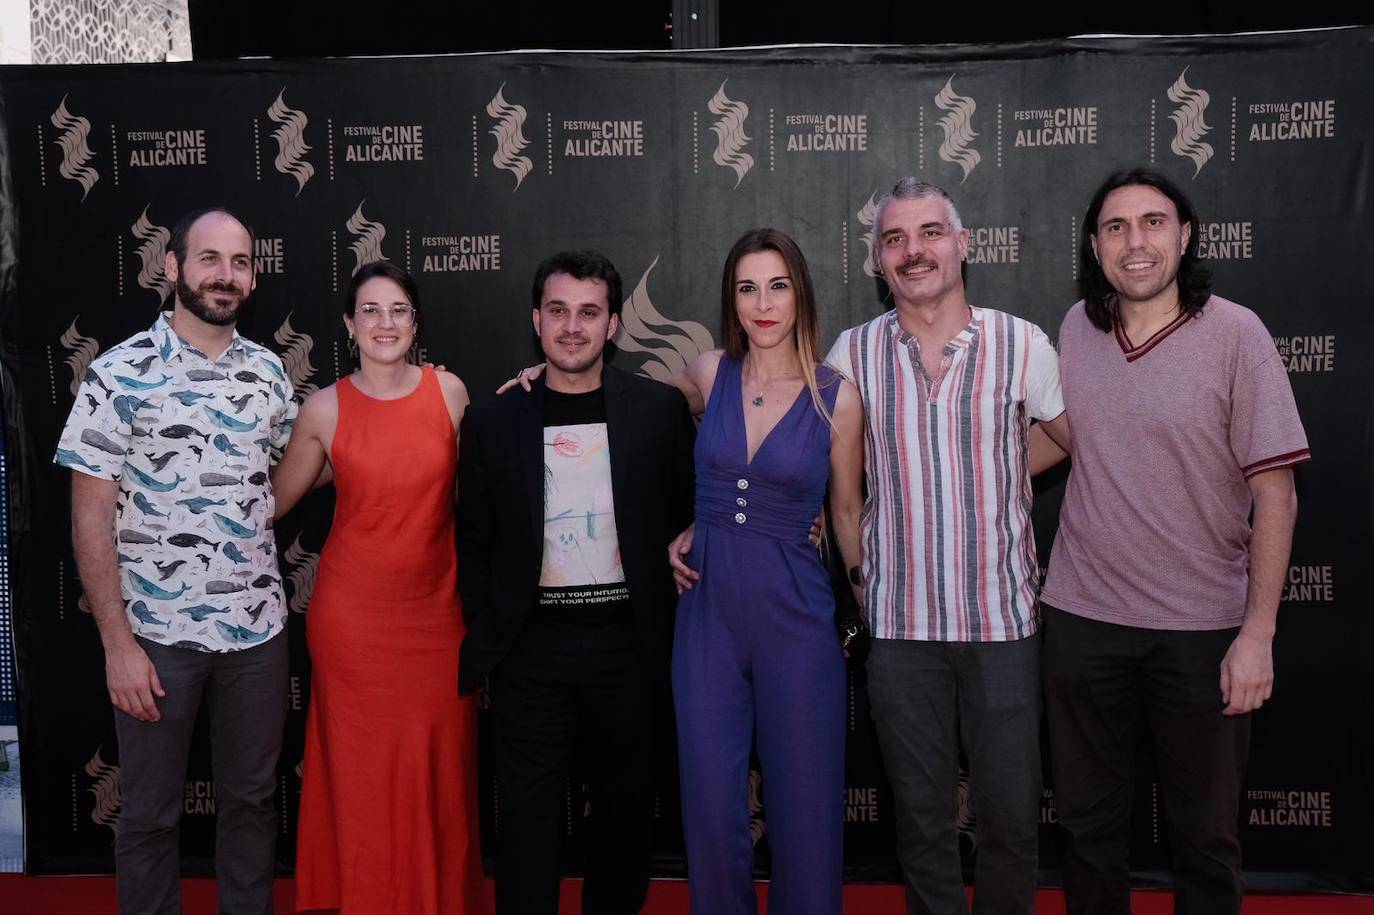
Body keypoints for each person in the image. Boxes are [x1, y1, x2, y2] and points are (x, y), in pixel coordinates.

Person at [1040, 168, 1306, 915]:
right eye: (1116, 227)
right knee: (1088, 836)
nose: (1135, 242)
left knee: (1204, 839)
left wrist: (1258, 632)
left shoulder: (1236, 334)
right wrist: (950, 464)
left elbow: (1275, 491)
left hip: (1201, 632)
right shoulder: (1076, 330)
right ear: (1095, 247)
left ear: (1184, 236)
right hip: (1083, 622)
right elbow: (1061, 441)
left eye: (1153, 223)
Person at [825, 178, 1070, 915]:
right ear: (876, 260)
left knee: (1008, 823)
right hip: (901, 634)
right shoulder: (851, 351)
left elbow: (1070, 438)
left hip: (1003, 627)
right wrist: (864, 582)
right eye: (895, 239)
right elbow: (842, 490)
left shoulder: (1021, 341)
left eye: (930, 232)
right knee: (923, 826)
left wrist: (995, 464)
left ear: (963, 245)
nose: (914, 250)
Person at [58, 206, 296, 914]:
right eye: (210, 259)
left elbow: (285, 477)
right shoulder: (116, 373)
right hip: (155, 637)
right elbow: (89, 516)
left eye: (241, 262)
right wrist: (117, 644)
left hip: (257, 635)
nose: (226, 275)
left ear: (252, 277)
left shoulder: (270, 375)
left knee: (253, 804)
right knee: (151, 815)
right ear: (173, 267)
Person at [457, 251, 695, 915]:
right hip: (531, 653)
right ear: (536, 320)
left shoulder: (658, 411)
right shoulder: (492, 421)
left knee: (624, 828)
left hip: (631, 647)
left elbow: (689, 512)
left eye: (588, 312)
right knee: (526, 828)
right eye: (557, 311)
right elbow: (472, 542)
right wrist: (492, 636)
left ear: (613, 323)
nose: (571, 327)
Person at [270, 260, 485, 914]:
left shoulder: (451, 393)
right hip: (353, 626)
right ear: (348, 324)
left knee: (438, 778)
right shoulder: (323, 408)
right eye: (370, 310)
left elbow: (479, 492)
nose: (385, 323)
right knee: (362, 783)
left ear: (415, 324)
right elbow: (271, 504)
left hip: (438, 620)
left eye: (398, 310)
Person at [664, 228, 864, 915]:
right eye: (747, 287)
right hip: (707, 615)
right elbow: (626, 418)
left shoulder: (837, 396)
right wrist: (547, 379)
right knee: (712, 808)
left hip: (798, 621)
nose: (763, 302)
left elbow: (845, 514)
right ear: (732, 299)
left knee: (806, 813)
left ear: (800, 291)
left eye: (777, 284)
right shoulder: (707, 372)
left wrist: (867, 607)